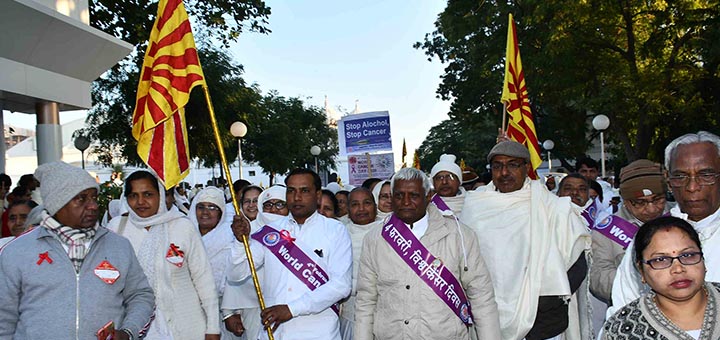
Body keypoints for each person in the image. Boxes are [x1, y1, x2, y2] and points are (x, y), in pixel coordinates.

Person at [0, 161, 154, 339]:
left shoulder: (118, 246)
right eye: (81, 199)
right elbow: (4, 317)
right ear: (57, 203)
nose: (93, 206)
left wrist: (129, 332)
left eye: (94, 198)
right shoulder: (17, 251)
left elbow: (141, 295)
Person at [460, 141, 592, 340]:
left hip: (542, 322)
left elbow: (577, 261)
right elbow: (463, 262)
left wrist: (541, 302)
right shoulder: (474, 206)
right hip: (485, 319)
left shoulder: (553, 207)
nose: (504, 172)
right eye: (497, 166)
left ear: (526, 168)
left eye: (512, 165)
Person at [354, 168, 501, 339]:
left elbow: (481, 297)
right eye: (399, 195)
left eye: (414, 195)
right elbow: (365, 301)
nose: (406, 202)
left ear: (428, 196)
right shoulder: (375, 239)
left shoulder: (459, 236)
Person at [226, 168, 352, 340]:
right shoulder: (271, 231)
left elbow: (341, 286)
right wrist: (241, 243)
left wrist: (292, 309)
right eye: (291, 191)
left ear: (317, 195)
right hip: (275, 333)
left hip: (319, 334)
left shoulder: (335, 231)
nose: (297, 197)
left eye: (304, 191)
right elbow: (236, 274)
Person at [610, 131, 720, 315]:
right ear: (668, 180)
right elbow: (624, 305)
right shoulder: (649, 236)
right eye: (680, 177)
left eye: (705, 175)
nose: (692, 187)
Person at [107, 170, 220, 340]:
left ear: (160, 195)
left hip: (187, 326)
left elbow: (204, 279)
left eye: (148, 194)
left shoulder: (181, 226)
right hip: (135, 326)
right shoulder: (117, 228)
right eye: (133, 196)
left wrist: (213, 327)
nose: (140, 202)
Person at [603, 216, 720, 339]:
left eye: (688, 255)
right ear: (641, 270)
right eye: (660, 259)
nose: (678, 269)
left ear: (703, 259)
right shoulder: (621, 330)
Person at [591, 160, 671, 305]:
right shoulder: (606, 231)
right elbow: (597, 278)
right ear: (625, 201)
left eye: (658, 199)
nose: (651, 209)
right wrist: (647, 285)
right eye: (640, 203)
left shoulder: (681, 216)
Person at [223, 185, 289, 340]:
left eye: (280, 204)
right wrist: (228, 312)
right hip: (253, 308)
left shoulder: (296, 231)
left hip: (290, 309)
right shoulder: (247, 231)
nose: (273, 209)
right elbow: (234, 273)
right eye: (268, 205)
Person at [187, 186, 238, 339]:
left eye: (212, 207)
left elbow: (233, 280)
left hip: (223, 312)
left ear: (221, 212)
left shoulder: (231, 239)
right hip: (187, 310)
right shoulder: (184, 235)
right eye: (201, 207)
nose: (205, 212)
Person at [338, 187, 383, 340]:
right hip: (351, 313)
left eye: (367, 203)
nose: (362, 209)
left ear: (375, 207)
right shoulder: (340, 234)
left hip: (387, 313)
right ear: (348, 209)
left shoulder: (390, 232)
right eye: (355, 204)